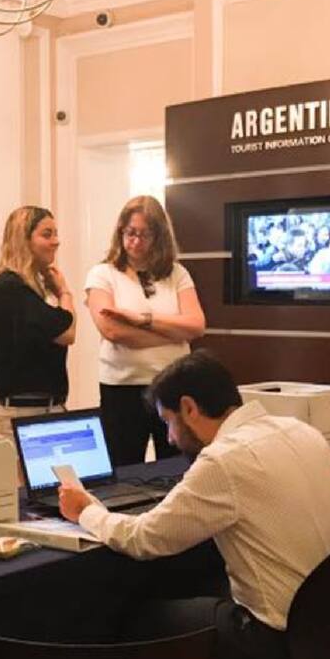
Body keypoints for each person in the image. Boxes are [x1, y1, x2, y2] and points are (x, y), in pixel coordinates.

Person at [58, 350, 330, 659]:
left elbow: (144, 539)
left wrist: (86, 511)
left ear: (189, 408)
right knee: (203, 582)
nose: (169, 438)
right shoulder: (303, 432)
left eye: (167, 421)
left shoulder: (223, 459)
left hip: (282, 643)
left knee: (140, 617)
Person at [84, 196, 204, 465]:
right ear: (120, 232)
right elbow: (112, 331)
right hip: (122, 389)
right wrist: (172, 332)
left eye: (144, 235)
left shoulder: (177, 274)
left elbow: (196, 325)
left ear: (159, 237)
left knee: (176, 466)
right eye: (130, 233)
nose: (136, 242)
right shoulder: (102, 274)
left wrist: (143, 320)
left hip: (172, 386)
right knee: (124, 468)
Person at [0, 206, 76, 440]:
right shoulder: (8, 287)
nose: (56, 241)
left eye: (56, 233)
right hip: (24, 413)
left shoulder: (27, 288)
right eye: (47, 234)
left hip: (43, 408)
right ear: (23, 239)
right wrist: (64, 293)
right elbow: (66, 332)